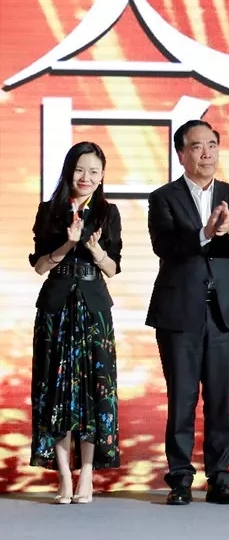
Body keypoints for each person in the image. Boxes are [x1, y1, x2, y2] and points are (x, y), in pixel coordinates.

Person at [146, 119, 229, 505]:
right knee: (181, 397)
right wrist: (204, 234)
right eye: (196, 146)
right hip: (179, 310)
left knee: (220, 398)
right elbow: (164, 246)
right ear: (181, 154)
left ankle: (220, 479)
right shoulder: (163, 198)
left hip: (225, 311)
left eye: (212, 145)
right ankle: (180, 479)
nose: (206, 153)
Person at [28, 142, 121, 505]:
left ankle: (87, 475)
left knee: (95, 391)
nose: (87, 178)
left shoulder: (108, 213)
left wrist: (96, 251)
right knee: (56, 389)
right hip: (56, 309)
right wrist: (67, 245)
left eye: (94, 172)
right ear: (69, 171)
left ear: (102, 175)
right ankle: (64, 475)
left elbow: (113, 268)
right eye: (81, 170)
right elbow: (40, 267)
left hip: (94, 309)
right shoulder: (49, 211)